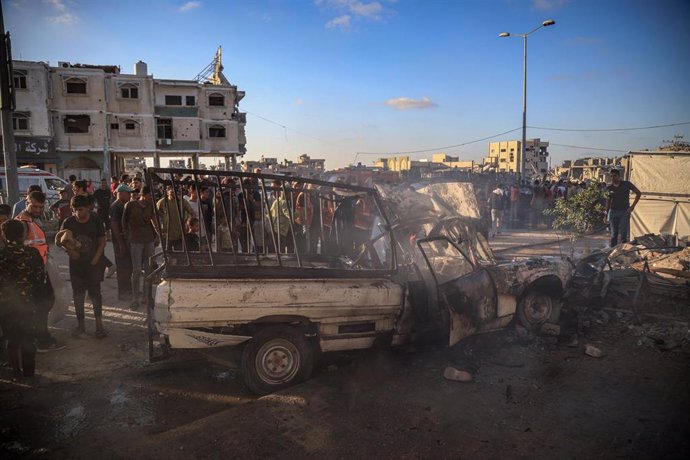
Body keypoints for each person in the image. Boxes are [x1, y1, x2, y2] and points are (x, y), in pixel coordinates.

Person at [0, 220, 45, 381]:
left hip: (6, 305)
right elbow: (41, 279)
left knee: (11, 340)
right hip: (28, 303)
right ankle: (29, 373)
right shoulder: (32, 254)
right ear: (23, 234)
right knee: (28, 338)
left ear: (4, 236)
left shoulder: (2, 256)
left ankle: (16, 374)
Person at [16, 190, 60, 351]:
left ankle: (40, 336)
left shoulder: (35, 219)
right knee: (41, 305)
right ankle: (41, 340)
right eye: (34, 206)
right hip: (30, 273)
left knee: (45, 303)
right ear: (26, 202)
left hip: (40, 269)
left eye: (40, 207)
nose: (37, 210)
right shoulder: (22, 222)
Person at [60, 195, 107, 338]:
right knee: (78, 296)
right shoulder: (68, 222)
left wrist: (96, 259)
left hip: (94, 264)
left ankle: (99, 326)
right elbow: (61, 241)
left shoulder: (96, 220)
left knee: (95, 295)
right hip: (76, 266)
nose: (77, 213)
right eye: (74, 210)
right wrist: (70, 251)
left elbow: (102, 241)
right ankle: (81, 327)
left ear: (87, 207)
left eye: (80, 209)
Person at [122, 186, 158, 311]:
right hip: (135, 240)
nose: (151, 198)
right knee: (137, 270)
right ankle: (135, 298)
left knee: (149, 270)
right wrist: (127, 237)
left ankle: (146, 297)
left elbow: (154, 221)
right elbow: (124, 222)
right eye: (150, 196)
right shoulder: (131, 205)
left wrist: (158, 235)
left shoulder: (151, 206)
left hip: (148, 240)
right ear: (144, 195)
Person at [604, 169, 641, 247]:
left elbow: (638, 193)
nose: (612, 178)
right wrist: (605, 215)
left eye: (614, 176)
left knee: (623, 234)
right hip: (613, 212)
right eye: (611, 176)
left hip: (624, 212)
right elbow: (608, 202)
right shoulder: (609, 188)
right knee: (614, 235)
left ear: (619, 176)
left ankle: (623, 252)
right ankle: (612, 252)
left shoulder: (626, 184)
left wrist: (632, 206)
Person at [110, 184, 134, 301]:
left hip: (125, 240)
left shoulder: (123, 205)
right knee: (123, 268)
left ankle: (128, 289)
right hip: (120, 241)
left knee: (128, 266)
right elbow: (114, 225)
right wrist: (121, 243)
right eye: (128, 193)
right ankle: (123, 292)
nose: (130, 195)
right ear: (121, 193)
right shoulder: (116, 207)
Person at [157, 185, 193, 251]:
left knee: (180, 255)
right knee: (167, 255)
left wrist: (187, 225)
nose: (173, 193)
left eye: (175, 191)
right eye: (171, 191)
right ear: (167, 192)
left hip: (179, 234)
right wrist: (159, 227)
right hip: (166, 234)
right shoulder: (162, 202)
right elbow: (155, 215)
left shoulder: (182, 201)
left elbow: (192, 213)